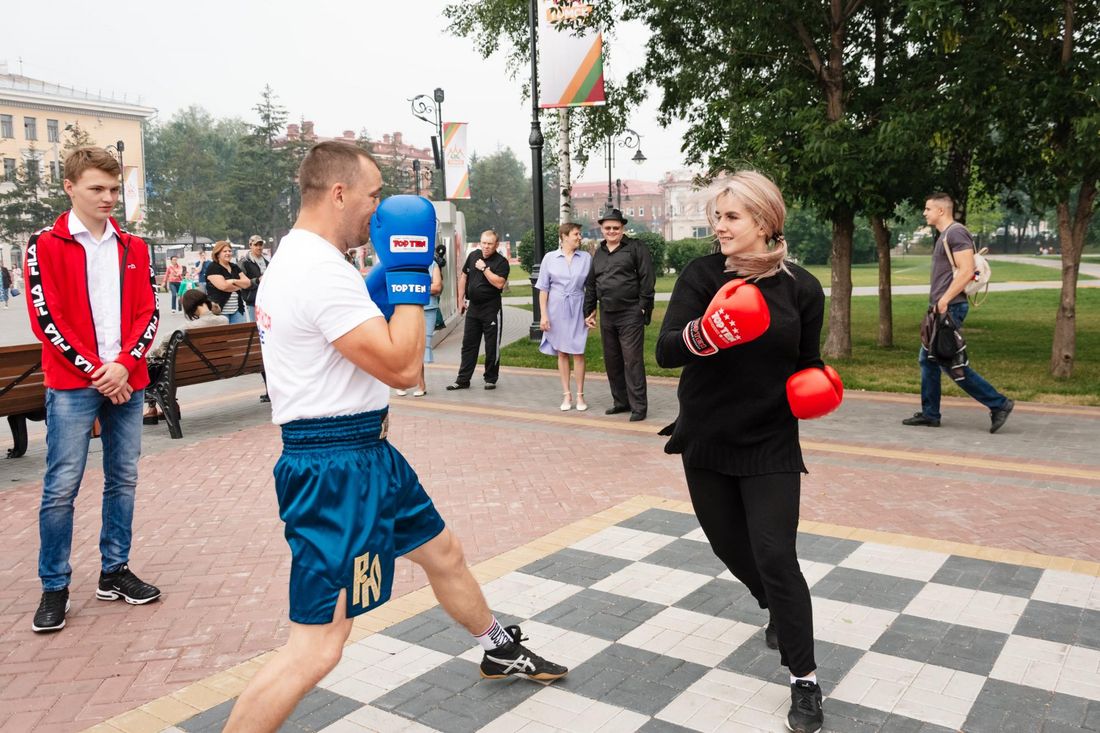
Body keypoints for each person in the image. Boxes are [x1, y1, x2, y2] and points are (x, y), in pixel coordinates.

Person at [224, 142, 565, 733]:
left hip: (367, 454)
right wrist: (408, 277)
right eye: (372, 194)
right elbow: (405, 368)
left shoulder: (312, 260)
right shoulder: (317, 271)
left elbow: (354, 332)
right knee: (319, 646)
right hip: (334, 469)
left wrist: (387, 279)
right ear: (338, 193)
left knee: (444, 552)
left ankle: (498, 645)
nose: (377, 210)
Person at [655, 172, 843, 733]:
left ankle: (804, 680)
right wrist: (709, 332)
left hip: (771, 441)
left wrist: (818, 382)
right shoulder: (701, 274)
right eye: (717, 216)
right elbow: (666, 351)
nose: (718, 226)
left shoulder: (802, 288)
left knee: (776, 556)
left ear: (764, 222)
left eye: (731, 217)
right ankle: (776, 609)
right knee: (730, 547)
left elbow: (805, 357)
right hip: (706, 437)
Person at [24, 146, 161, 634]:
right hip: (73, 385)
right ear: (70, 187)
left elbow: (150, 312)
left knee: (123, 479)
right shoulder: (45, 243)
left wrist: (123, 366)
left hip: (127, 377)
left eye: (113, 189)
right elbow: (46, 319)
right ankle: (54, 586)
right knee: (62, 486)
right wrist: (98, 372)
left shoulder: (133, 246)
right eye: (96, 189)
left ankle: (114, 571)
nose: (108, 198)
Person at [902, 193, 1014, 433]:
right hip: (942, 307)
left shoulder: (956, 233)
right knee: (928, 361)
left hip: (950, 307)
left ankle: (999, 403)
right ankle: (930, 413)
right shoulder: (946, 235)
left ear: (941, 211)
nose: (924, 213)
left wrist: (943, 300)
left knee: (951, 364)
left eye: (928, 208)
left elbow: (966, 271)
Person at [583, 208, 655, 421]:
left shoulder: (635, 248)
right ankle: (621, 402)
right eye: (608, 228)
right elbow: (592, 283)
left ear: (623, 228)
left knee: (632, 361)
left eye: (616, 228)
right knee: (612, 361)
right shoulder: (599, 252)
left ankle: (639, 407)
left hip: (630, 313)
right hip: (607, 314)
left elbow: (647, 278)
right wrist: (589, 311)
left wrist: (643, 306)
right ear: (602, 229)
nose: (612, 231)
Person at [143, 289, 230, 424]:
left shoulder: (187, 327)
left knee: (155, 365)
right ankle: (170, 405)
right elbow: (214, 314)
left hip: (185, 370)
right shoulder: (224, 320)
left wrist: (148, 356)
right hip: (215, 366)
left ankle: (152, 408)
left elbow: (164, 342)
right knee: (169, 366)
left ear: (190, 307)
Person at [537, 222, 592, 411]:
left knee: (578, 351)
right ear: (564, 237)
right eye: (576, 234)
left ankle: (580, 395)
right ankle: (566, 395)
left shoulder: (586, 258)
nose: (579, 237)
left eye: (579, 233)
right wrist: (543, 315)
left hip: (578, 307)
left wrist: (591, 312)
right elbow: (543, 289)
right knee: (562, 352)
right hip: (556, 309)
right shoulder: (549, 258)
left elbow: (591, 288)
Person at [446, 230, 510, 391]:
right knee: (468, 345)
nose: (486, 247)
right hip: (473, 308)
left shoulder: (501, 262)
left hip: (491, 309)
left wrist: (484, 269)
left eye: (489, 244)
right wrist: (460, 300)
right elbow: (464, 277)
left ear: (496, 245)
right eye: (483, 243)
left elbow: (499, 284)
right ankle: (463, 380)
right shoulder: (474, 255)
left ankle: (490, 379)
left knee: (491, 346)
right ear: (480, 243)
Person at [395, 259, 443, 397]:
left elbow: (437, 287)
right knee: (406, 347)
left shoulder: (432, 264)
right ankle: (403, 383)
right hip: (406, 308)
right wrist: (422, 288)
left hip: (428, 310)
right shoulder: (403, 263)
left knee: (420, 348)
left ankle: (421, 385)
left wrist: (412, 288)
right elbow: (396, 285)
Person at [205, 240, 251, 324]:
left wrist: (232, 281)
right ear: (217, 253)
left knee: (240, 335)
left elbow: (247, 283)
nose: (228, 253)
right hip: (219, 310)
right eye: (224, 251)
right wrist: (239, 285)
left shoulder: (234, 266)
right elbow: (223, 286)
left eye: (229, 251)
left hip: (237, 309)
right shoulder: (213, 267)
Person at [239, 235, 270, 322]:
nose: (259, 247)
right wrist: (257, 280)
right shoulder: (244, 262)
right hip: (252, 300)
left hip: (266, 300)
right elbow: (241, 283)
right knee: (255, 326)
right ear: (250, 245)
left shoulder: (267, 261)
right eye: (256, 245)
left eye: (261, 245)